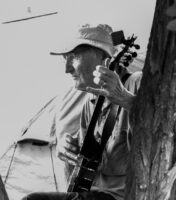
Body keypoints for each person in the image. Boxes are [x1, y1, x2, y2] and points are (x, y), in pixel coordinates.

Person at [22, 24, 142, 200]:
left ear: (104, 58)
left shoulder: (137, 83)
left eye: (74, 57)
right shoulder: (90, 104)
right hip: (94, 194)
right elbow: (88, 155)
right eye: (65, 59)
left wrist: (125, 99)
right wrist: (66, 147)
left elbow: (166, 129)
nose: (67, 69)